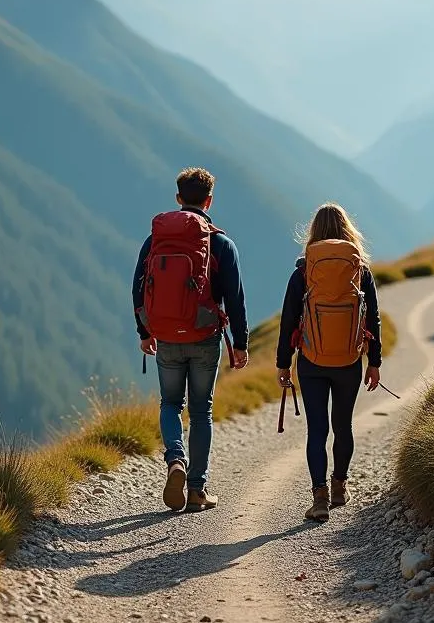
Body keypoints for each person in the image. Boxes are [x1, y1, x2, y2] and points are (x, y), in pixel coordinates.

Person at [133, 167, 249, 513]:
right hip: (204, 337)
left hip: (166, 335)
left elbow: (138, 288)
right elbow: (235, 298)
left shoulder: (155, 241)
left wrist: (145, 332)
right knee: (201, 411)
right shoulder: (221, 243)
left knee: (170, 404)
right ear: (209, 200)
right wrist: (240, 343)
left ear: (178, 199)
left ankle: (175, 461)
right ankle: (197, 490)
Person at [275, 203, 382, 523]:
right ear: (348, 231)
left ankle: (319, 498)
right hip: (349, 360)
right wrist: (374, 362)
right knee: (343, 425)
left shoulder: (304, 271)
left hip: (312, 361)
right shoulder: (360, 271)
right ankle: (340, 487)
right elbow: (373, 320)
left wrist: (284, 363)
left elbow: (288, 320)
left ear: (314, 233)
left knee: (317, 429)